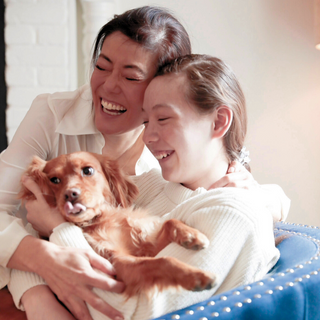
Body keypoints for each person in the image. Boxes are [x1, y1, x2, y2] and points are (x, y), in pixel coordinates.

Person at [0, 6, 254, 320]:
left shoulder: (164, 167)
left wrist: (57, 228)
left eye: (131, 76)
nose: (107, 86)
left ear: (161, 84)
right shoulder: (54, 113)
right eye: (102, 66)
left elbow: (127, 291)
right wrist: (37, 282)